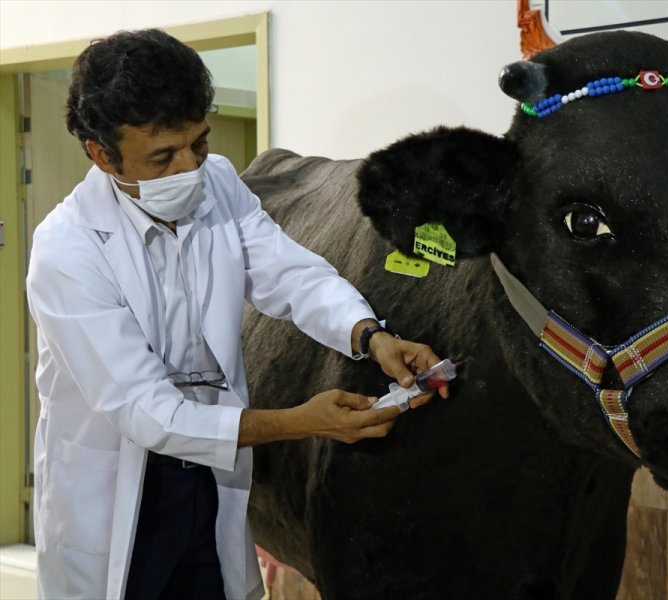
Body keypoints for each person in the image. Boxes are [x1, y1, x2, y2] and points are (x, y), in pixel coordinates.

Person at [25, 28, 447, 600]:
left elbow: (289, 272)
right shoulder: (68, 250)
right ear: (102, 154)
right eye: (163, 157)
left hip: (208, 479)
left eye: (198, 144)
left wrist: (370, 335)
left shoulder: (219, 182)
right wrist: (303, 421)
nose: (189, 168)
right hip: (120, 490)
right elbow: (147, 413)